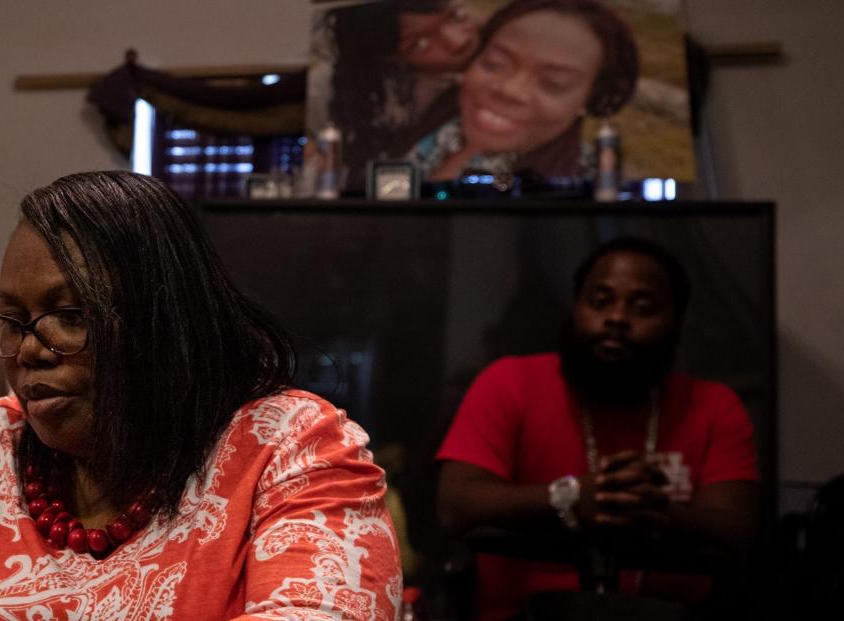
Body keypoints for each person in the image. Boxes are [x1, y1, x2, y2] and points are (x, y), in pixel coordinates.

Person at [0, 172, 401, 620]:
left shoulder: (289, 447)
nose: (28, 348)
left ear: (166, 319)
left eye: (70, 313)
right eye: (11, 317)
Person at [436, 237, 759, 620]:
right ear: (576, 308)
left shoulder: (714, 406)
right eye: (600, 301)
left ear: (676, 321)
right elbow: (455, 504)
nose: (617, 318)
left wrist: (653, 510)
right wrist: (570, 498)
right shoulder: (509, 382)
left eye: (643, 307)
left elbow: (738, 526)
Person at [404, 0, 639, 185]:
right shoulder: (418, 114)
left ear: (587, 98)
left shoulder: (587, 187)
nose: (510, 90)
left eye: (553, 83)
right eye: (494, 64)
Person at [322, 0, 482, 192]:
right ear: (396, 61)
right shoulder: (405, 107)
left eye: (456, 16)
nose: (458, 41)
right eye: (420, 44)